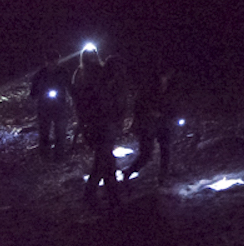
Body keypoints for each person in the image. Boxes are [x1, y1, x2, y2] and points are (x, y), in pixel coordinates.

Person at [73, 47, 123, 207]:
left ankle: (110, 194)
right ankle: (97, 194)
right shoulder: (89, 75)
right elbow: (87, 102)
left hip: (97, 124)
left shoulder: (82, 74)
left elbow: (79, 103)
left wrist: (82, 124)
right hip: (100, 124)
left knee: (106, 159)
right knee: (104, 160)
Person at [126, 64, 177, 182]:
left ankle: (163, 178)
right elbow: (139, 105)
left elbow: (172, 104)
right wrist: (149, 113)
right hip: (147, 124)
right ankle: (129, 172)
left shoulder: (171, 86)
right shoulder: (148, 86)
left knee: (166, 149)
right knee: (146, 154)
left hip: (163, 123)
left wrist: (169, 115)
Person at [29, 52, 74, 161]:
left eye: (54, 60)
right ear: (46, 61)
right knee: (44, 131)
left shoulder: (63, 72)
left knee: (60, 131)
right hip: (44, 106)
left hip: (59, 105)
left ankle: (59, 154)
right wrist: (35, 95)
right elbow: (33, 91)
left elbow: (70, 86)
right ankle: (44, 154)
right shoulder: (40, 74)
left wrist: (73, 97)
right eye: (50, 61)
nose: (52, 63)